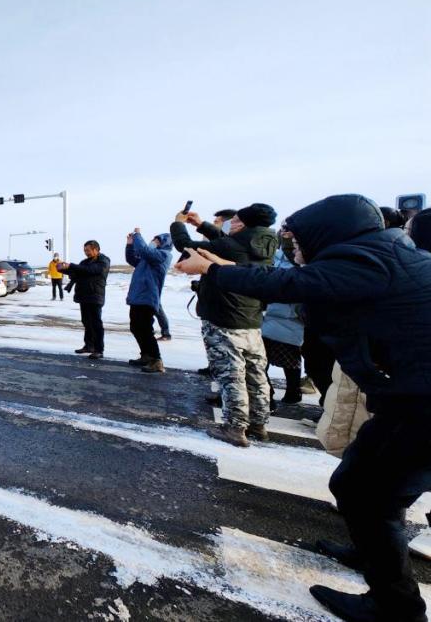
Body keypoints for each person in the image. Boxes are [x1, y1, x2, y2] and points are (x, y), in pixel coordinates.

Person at [176, 194, 431, 622]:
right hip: (407, 399)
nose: (290, 247)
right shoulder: (385, 253)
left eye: (296, 239)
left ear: (327, 231)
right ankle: (375, 550)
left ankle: (395, 607)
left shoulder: (367, 261)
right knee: (371, 487)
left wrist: (214, 271)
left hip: (419, 404)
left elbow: (287, 285)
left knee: (362, 492)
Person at [171, 204, 278, 447]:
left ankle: (235, 427)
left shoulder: (231, 245)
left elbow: (184, 245)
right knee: (255, 373)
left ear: (242, 224)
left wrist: (178, 223)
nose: (230, 224)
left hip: (223, 316)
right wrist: (202, 225)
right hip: (251, 318)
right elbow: (229, 243)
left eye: (235, 220)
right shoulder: (267, 243)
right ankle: (259, 424)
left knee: (231, 375)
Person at [261, 236, 304, 405]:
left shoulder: (299, 261)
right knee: (267, 357)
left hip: (289, 316)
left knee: (288, 359)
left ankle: (289, 391)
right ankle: (288, 391)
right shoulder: (277, 257)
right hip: (274, 314)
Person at [124, 230, 172, 374]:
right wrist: (129, 245)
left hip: (148, 297)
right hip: (137, 297)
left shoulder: (164, 255)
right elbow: (132, 259)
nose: (153, 241)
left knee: (145, 329)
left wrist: (138, 235)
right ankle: (146, 355)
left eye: (157, 240)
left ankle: (157, 360)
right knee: (135, 327)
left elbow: (145, 251)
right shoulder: (147, 259)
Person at [63, 241, 110, 360]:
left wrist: (71, 265)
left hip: (95, 295)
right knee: (86, 321)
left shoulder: (103, 261)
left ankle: (99, 349)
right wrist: (64, 269)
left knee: (96, 323)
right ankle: (89, 346)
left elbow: (92, 270)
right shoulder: (84, 262)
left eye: (88, 250)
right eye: (85, 251)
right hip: (83, 295)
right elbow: (77, 273)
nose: (86, 253)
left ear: (96, 249)